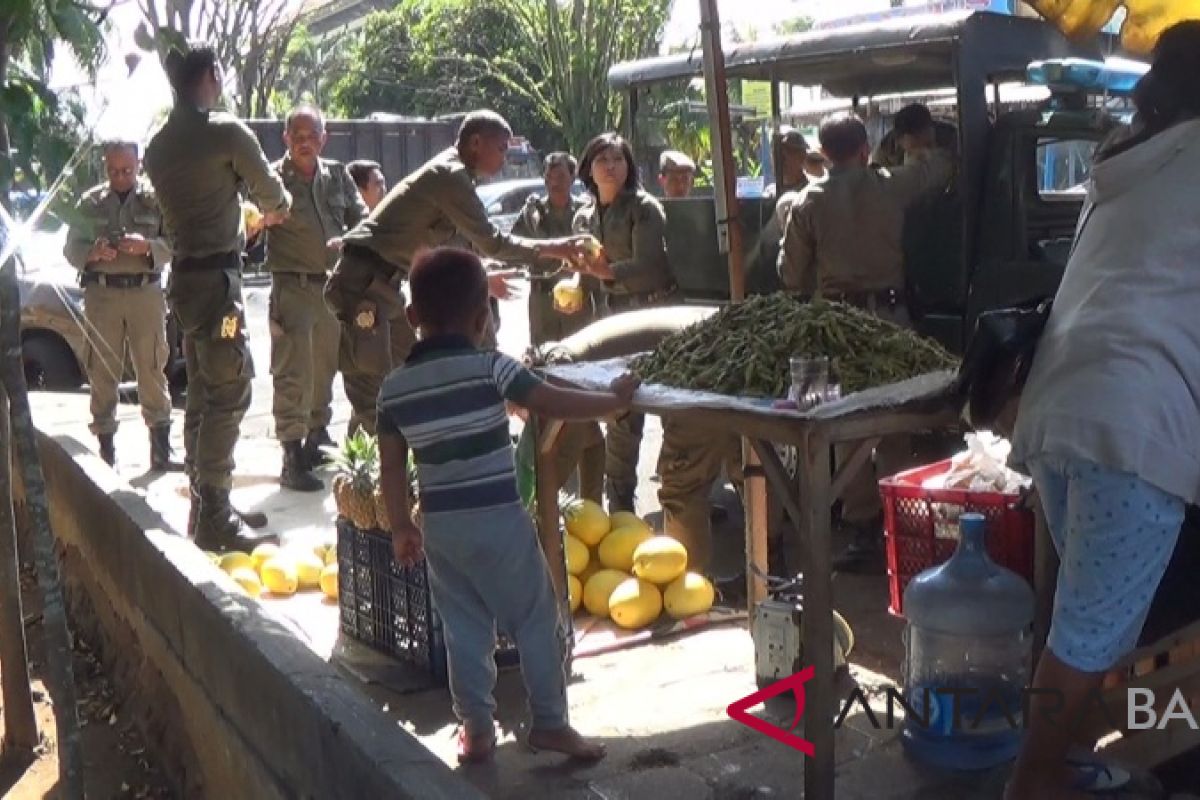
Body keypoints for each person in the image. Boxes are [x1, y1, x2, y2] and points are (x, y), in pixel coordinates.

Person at [1005, 22, 1200, 800]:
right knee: (1088, 638)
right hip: (1131, 422)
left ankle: (1104, 757)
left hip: (1066, 406)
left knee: (1108, 629)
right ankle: (1035, 781)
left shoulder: (1134, 155)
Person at [378, 247, 635, 763]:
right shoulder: (490, 368)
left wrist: (403, 526)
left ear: (412, 318)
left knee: (464, 628)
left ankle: (475, 729)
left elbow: (390, 468)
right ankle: (550, 723)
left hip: (442, 530)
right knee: (536, 618)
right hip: (499, 522)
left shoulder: (394, 390)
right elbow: (549, 400)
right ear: (483, 317)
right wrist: (613, 401)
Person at [324, 110, 588, 435]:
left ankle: (399, 474)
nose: (504, 159)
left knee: (409, 378)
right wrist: (557, 248)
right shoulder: (449, 176)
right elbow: (492, 241)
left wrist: (483, 274)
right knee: (374, 389)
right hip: (362, 284)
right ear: (476, 143)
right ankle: (368, 480)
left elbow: (462, 246)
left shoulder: (456, 179)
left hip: (385, 286)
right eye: (502, 148)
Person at [778, 112, 952, 572]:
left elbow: (789, 275)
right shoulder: (889, 184)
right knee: (893, 421)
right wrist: (917, 142)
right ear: (864, 150)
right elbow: (939, 168)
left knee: (838, 425)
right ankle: (898, 525)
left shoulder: (807, 201)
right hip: (890, 319)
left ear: (824, 151)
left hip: (834, 325)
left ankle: (858, 527)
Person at [144, 41, 290, 550]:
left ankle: (206, 506)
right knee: (230, 391)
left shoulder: (157, 147)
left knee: (204, 390)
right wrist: (267, 210)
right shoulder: (226, 131)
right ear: (209, 73)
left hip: (183, 282)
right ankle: (215, 518)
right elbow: (274, 197)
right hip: (219, 285)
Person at [571, 132, 675, 513]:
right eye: (602, 160)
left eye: (618, 159)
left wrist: (604, 271)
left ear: (629, 166)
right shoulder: (582, 215)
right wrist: (576, 286)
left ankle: (682, 494)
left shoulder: (645, 209)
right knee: (622, 413)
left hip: (652, 316)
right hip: (612, 318)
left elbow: (649, 266)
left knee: (673, 412)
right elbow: (583, 272)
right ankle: (620, 507)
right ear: (589, 169)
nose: (610, 166)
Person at [266, 106, 369, 491]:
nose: (304, 141)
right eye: (297, 135)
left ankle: (316, 437)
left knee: (324, 368)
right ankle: (291, 455)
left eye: (312, 135)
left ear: (323, 139)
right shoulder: (273, 179)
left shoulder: (337, 175)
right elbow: (251, 222)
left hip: (330, 288)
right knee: (293, 372)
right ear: (286, 138)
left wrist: (352, 238)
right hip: (292, 287)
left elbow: (362, 218)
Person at [63, 140, 178, 471]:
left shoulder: (156, 201)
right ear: (105, 166)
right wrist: (90, 254)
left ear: (138, 164)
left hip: (146, 294)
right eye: (113, 170)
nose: (120, 176)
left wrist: (148, 247)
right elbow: (70, 247)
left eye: (126, 170)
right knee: (101, 371)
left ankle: (160, 450)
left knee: (152, 367)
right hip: (103, 296)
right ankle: (106, 450)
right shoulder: (91, 203)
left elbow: (177, 243)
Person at [512, 152, 605, 504]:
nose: (555, 181)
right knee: (549, 375)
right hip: (543, 303)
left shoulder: (584, 213)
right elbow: (515, 249)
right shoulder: (533, 213)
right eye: (550, 176)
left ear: (572, 178)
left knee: (580, 380)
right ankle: (566, 493)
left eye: (561, 175)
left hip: (579, 304)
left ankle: (589, 494)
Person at [871, 103, 958, 169]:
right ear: (899, 140)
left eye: (928, 145)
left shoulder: (954, 140)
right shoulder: (884, 151)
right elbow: (881, 180)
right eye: (913, 150)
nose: (923, 153)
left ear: (932, 128)